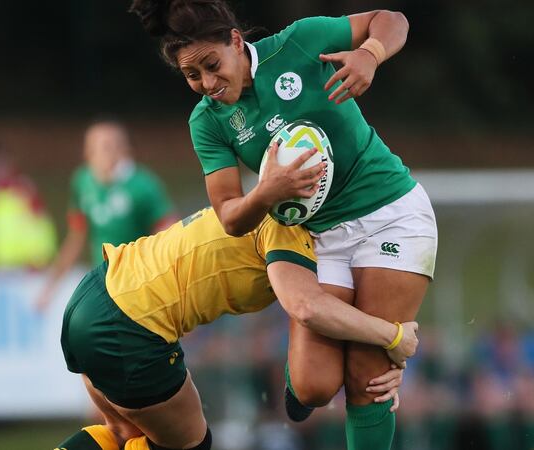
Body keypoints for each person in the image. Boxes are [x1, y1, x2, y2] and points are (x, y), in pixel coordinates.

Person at [128, 2, 438, 449]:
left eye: (212, 65)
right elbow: (230, 216)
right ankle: (308, 377)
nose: (208, 84)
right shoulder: (208, 121)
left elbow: (391, 20)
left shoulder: (299, 43)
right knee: (314, 386)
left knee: (367, 377)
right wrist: (266, 192)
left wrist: (369, 54)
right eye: (192, 76)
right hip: (319, 237)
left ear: (236, 42)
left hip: (391, 215)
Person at [56, 207, 417, 450]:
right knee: (189, 445)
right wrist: (393, 337)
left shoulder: (248, 206)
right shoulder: (287, 227)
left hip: (94, 293)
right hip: (131, 323)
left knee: (123, 434)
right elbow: (308, 308)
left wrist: (384, 354)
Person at [35, 119, 178, 310]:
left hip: (140, 285)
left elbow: (170, 235)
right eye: (94, 148)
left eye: (109, 147)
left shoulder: (143, 185)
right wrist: (50, 288)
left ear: (125, 150)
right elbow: (76, 237)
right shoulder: (83, 181)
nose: (101, 154)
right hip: (104, 283)